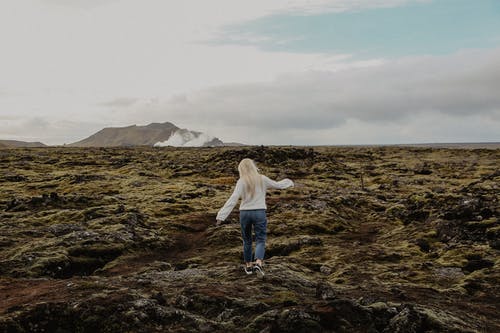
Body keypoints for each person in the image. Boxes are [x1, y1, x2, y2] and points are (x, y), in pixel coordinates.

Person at [216, 158, 294, 275]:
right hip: (259, 212)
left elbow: (233, 198)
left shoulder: (241, 181)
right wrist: (289, 182)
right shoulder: (262, 179)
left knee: (247, 241)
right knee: (260, 240)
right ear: (253, 167)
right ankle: (258, 263)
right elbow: (278, 185)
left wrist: (221, 216)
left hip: (245, 213)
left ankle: (248, 266)